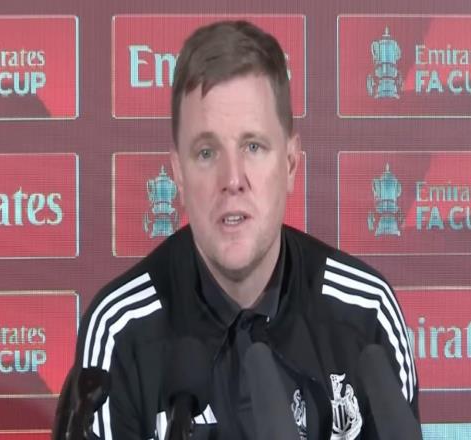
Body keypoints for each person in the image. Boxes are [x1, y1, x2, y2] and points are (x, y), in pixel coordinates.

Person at [54, 20, 419, 440]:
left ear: (290, 164)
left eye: (253, 146)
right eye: (206, 152)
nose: (232, 179)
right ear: (178, 173)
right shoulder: (120, 330)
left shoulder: (367, 312)